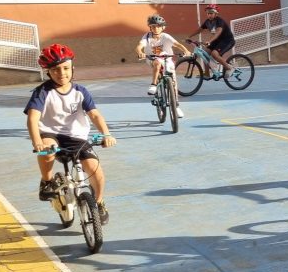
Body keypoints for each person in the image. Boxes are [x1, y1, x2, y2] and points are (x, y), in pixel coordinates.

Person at [25, 44, 116, 224]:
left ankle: (98, 202)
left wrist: (106, 134)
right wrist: (37, 142)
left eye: (66, 68)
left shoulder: (80, 91)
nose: (62, 73)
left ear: (72, 68)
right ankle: (47, 182)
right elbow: (33, 119)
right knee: (48, 149)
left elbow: (95, 115)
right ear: (48, 72)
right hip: (51, 133)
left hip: (77, 137)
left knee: (95, 169)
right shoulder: (42, 92)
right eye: (55, 69)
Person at [135, 14, 190, 117]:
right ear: (150, 28)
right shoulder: (147, 37)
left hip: (167, 59)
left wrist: (186, 51)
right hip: (152, 59)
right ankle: (154, 85)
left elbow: (177, 44)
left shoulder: (166, 36)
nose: (156, 29)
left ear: (163, 27)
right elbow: (139, 46)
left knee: (173, 81)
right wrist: (140, 52)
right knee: (157, 62)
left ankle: (176, 106)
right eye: (153, 26)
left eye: (158, 26)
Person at [190, 4, 236, 78]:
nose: (209, 15)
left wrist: (209, 41)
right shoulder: (207, 22)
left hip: (227, 41)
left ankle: (229, 68)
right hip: (217, 41)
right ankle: (207, 74)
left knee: (214, 54)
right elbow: (199, 30)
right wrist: (189, 36)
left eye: (211, 13)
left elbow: (217, 33)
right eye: (208, 13)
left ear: (216, 14)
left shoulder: (219, 21)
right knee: (205, 53)